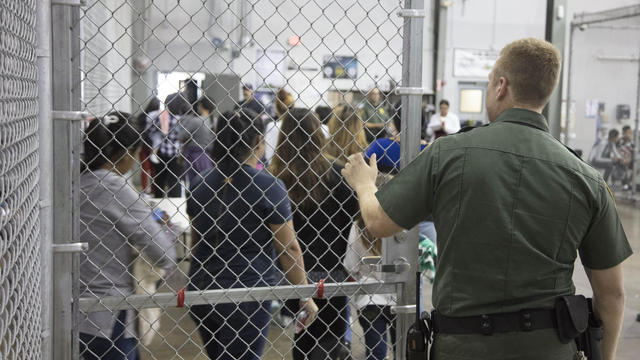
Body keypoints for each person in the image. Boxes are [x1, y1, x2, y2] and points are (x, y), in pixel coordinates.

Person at [342, 38, 632, 360]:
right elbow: (612, 295)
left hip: (463, 346)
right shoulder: (586, 178)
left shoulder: (448, 154)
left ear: (501, 86)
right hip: (551, 347)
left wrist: (364, 185)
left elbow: (378, 222)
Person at [187, 110, 318, 360]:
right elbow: (289, 248)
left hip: (201, 288)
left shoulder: (200, 183)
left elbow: (197, 241)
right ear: (258, 140)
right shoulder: (269, 186)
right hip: (246, 292)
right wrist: (304, 295)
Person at [79, 112, 178, 360]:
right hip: (109, 315)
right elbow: (164, 254)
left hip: (70, 306)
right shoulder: (115, 188)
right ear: (126, 153)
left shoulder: (75, 181)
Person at [269, 108, 359, 359]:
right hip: (333, 272)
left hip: (291, 273)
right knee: (333, 340)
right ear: (318, 134)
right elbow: (352, 221)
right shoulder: (337, 174)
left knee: (303, 336)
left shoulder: (276, 178)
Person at [146, 93, 188, 197]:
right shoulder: (183, 119)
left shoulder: (160, 116)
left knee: (159, 180)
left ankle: (159, 203)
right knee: (175, 183)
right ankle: (175, 204)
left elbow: (150, 130)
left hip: (162, 152)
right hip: (177, 154)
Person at [177, 96, 215, 185]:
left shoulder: (196, 121)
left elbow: (180, 136)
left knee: (195, 184)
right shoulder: (215, 121)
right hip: (210, 156)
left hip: (195, 156)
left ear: (200, 106)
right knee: (207, 183)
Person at [264, 88, 295, 164]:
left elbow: (268, 155)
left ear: (277, 108)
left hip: (273, 167)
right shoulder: (298, 126)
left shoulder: (272, 126)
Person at [137, 97, 161, 194]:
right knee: (153, 169)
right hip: (154, 146)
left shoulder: (141, 116)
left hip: (142, 145)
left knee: (145, 168)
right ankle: (153, 190)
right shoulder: (158, 117)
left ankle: (144, 190)